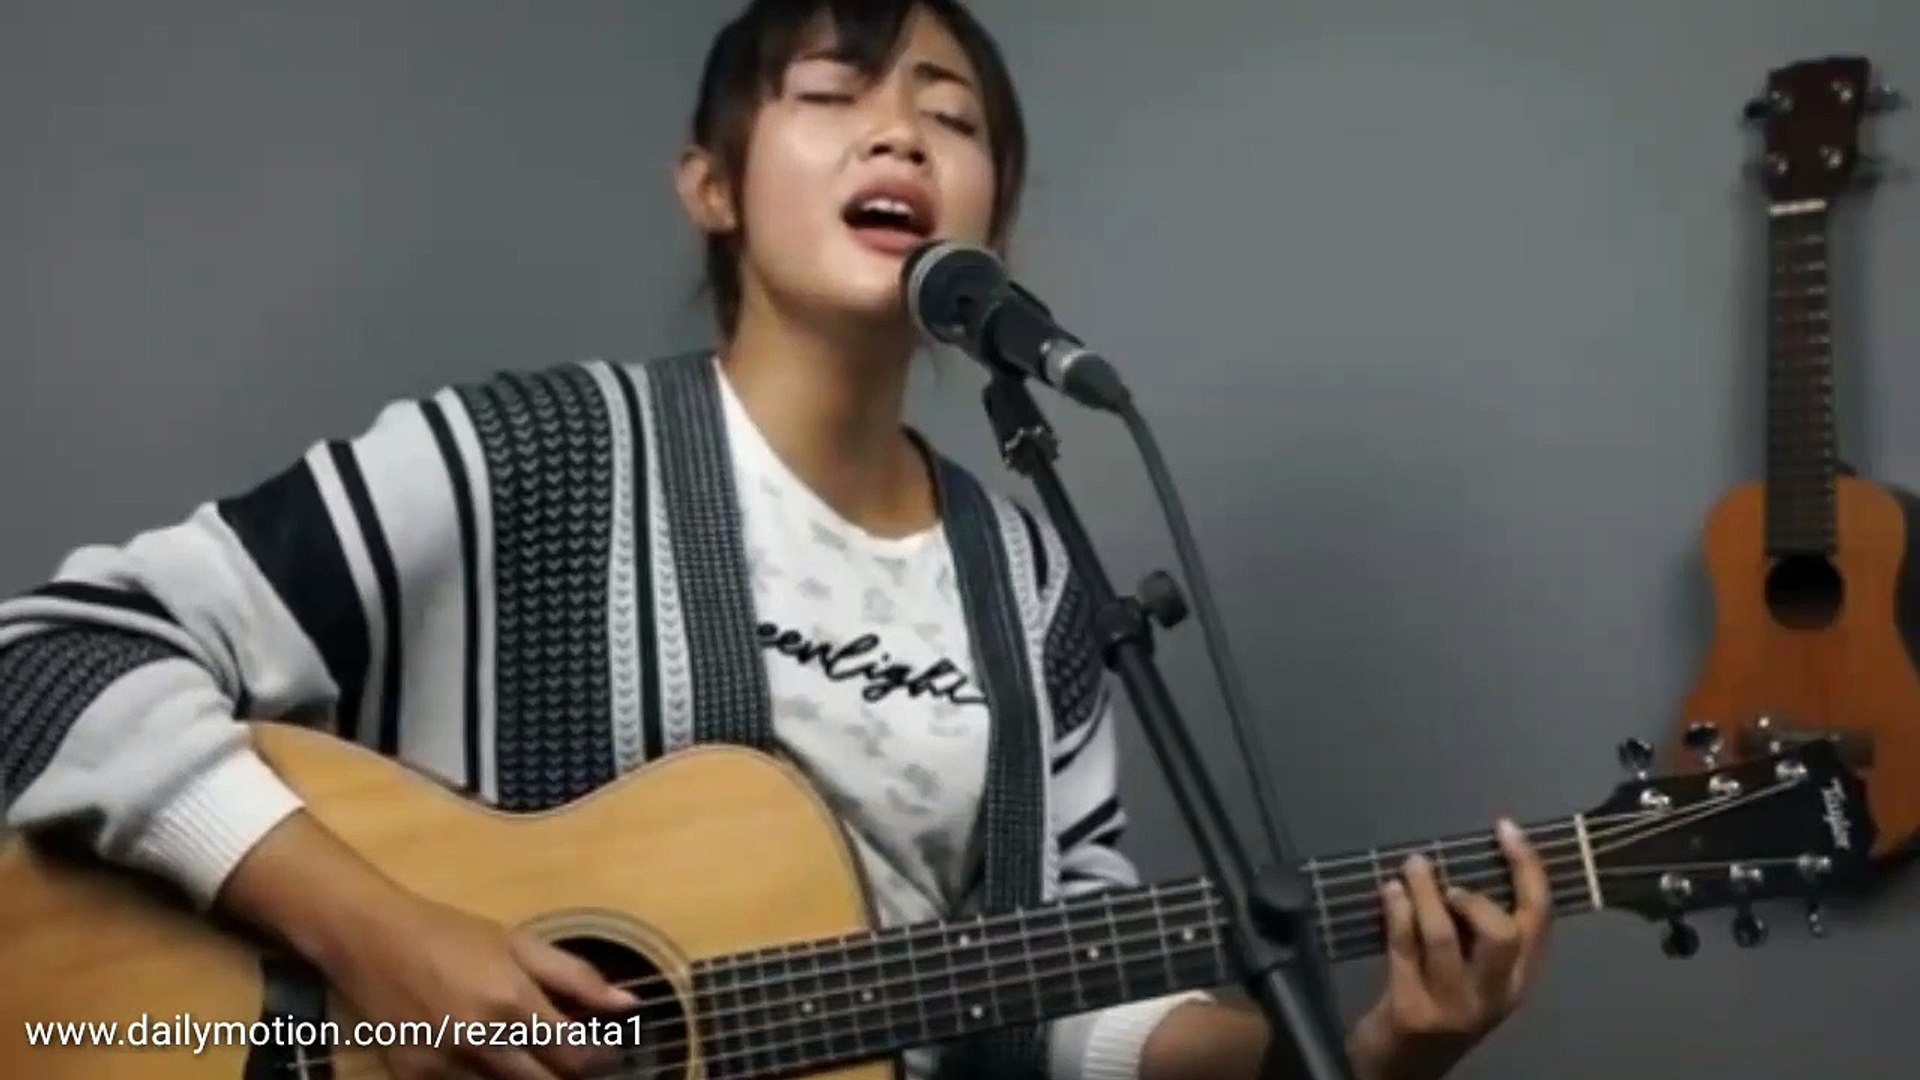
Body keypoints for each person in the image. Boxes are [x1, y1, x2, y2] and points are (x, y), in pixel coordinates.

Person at [0, 2, 1553, 1078]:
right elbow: (51, 660)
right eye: (833, 95)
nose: (903, 135)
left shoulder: (1030, 584)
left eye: (951, 118)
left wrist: (1370, 1055)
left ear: (990, 223)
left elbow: (1055, 996)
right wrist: (380, 935)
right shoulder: (530, 455)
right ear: (712, 185)